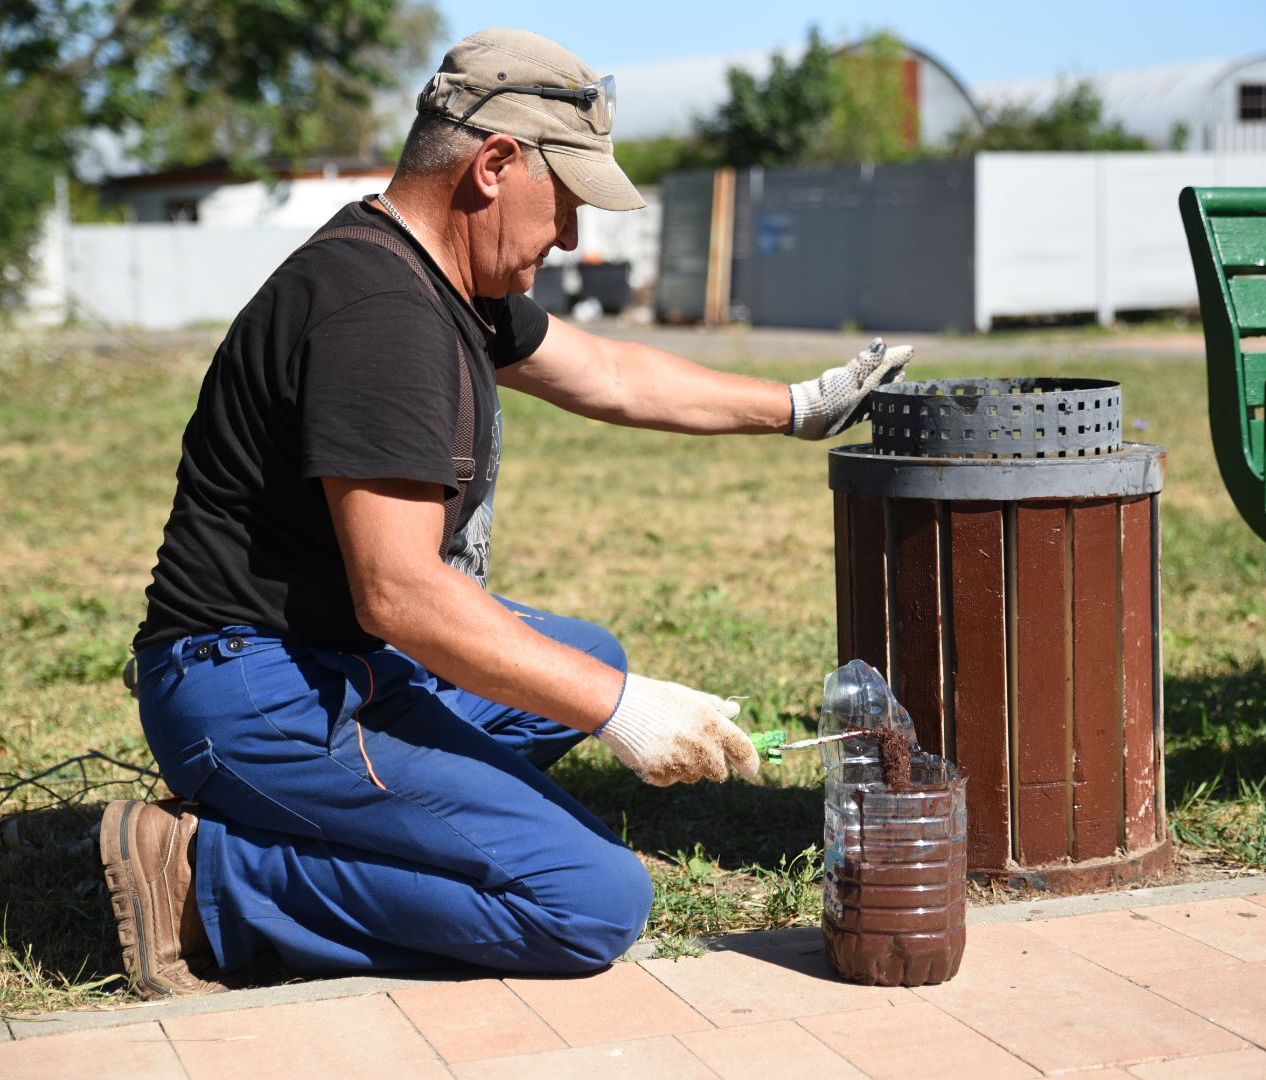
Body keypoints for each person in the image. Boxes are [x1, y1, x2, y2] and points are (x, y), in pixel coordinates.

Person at [99, 27, 913, 999]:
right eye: (564, 201)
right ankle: (210, 879)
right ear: (493, 166)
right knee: (590, 901)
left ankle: (353, 815)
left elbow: (608, 373)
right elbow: (402, 594)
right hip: (256, 687)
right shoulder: (381, 317)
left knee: (587, 654)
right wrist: (621, 711)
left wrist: (798, 406)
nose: (568, 237)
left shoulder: (438, 276)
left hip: (327, 654)